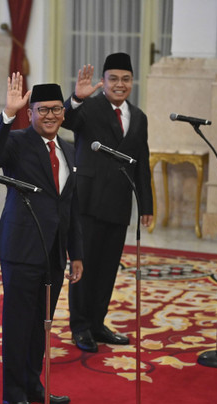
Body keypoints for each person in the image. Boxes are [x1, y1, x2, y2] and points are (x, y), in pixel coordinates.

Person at [0, 73, 83, 404]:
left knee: (42, 323)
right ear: (32, 112)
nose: (50, 115)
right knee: (18, 324)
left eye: (56, 109)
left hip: (53, 251)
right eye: (42, 110)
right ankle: (13, 395)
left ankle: (33, 383)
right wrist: (8, 114)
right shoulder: (17, 142)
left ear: (63, 113)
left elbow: (69, 205)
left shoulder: (69, 149)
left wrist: (76, 252)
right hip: (21, 250)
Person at [62, 53, 153, 353]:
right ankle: (80, 327)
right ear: (104, 81)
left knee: (107, 270)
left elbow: (141, 163)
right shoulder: (89, 107)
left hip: (118, 205)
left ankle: (98, 323)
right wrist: (76, 97)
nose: (120, 84)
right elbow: (67, 120)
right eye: (113, 79)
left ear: (132, 82)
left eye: (125, 79)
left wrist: (146, 205)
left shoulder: (139, 117)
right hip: (87, 202)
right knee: (84, 267)